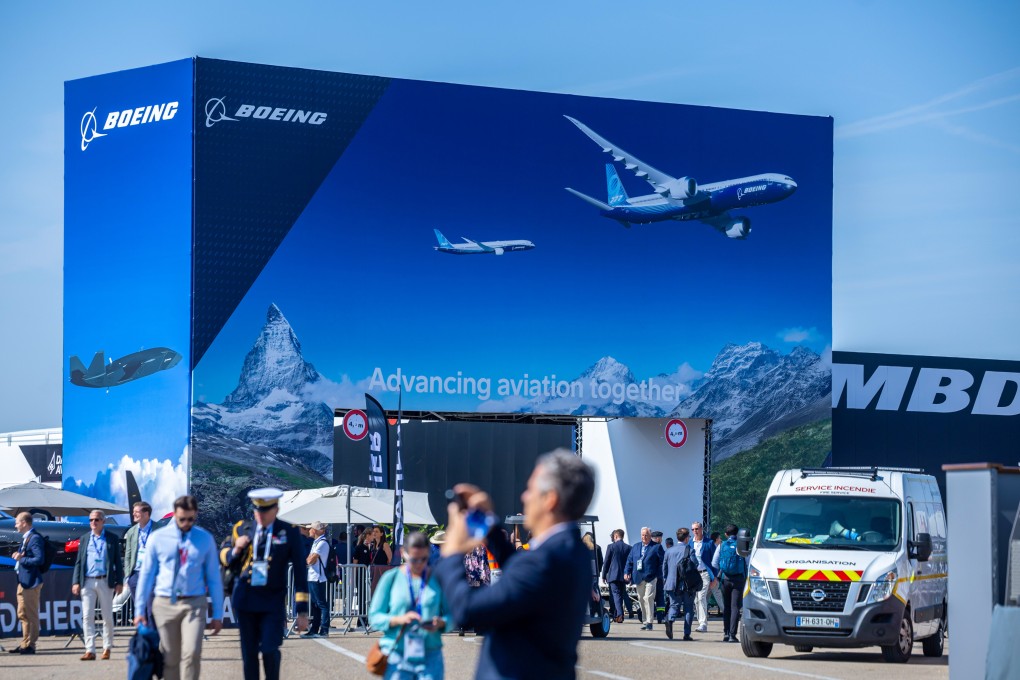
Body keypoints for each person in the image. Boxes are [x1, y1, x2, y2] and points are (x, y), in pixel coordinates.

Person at [436, 449, 595, 679]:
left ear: (550, 499)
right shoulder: (571, 550)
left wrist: (450, 555)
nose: (524, 497)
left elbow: (468, 610)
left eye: (530, 489)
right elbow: (522, 579)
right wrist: (490, 524)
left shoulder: (545, 562)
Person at [220, 488, 309, 680]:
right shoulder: (242, 528)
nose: (260, 515)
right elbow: (224, 555)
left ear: (275, 509)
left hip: (272, 601)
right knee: (249, 654)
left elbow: (301, 573)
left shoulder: (289, 532)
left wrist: (302, 611)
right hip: (245, 600)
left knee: (270, 649)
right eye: (257, 510)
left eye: (265, 510)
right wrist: (236, 549)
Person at [133, 495, 224, 680]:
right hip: (165, 603)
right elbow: (147, 575)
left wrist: (218, 614)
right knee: (170, 658)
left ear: (196, 515)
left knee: (192, 653)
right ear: (174, 514)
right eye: (182, 519)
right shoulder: (157, 538)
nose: (186, 523)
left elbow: (214, 578)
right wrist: (139, 609)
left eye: (191, 519)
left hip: (194, 603)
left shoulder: (204, 539)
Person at [368, 531, 450, 679]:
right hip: (397, 655)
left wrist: (442, 623)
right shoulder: (391, 578)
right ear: (403, 553)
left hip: (430, 655)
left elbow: (453, 614)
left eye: (424, 559)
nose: (419, 564)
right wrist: (397, 619)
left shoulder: (437, 579)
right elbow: (374, 616)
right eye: (413, 559)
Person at [71, 509, 124, 660]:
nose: (93, 523)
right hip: (87, 580)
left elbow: (117, 563)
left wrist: (119, 582)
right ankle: (90, 649)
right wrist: (75, 581)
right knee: (87, 616)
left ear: (103, 521)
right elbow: (79, 562)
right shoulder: (85, 538)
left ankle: (107, 647)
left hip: (105, 580)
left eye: (96, 520)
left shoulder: (111, 539)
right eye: (91, 520)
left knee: (107, 616)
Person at [9, 512, 45, 655]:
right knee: (22, 613)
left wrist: (21, 559)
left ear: (24, 523)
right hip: (23, 581)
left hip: (31, 582)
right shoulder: (27, 538)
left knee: (31, 614)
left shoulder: (34, 538)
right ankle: (25, 643)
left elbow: (39, 559)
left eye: (17, 522)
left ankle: (31, 644)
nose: (15, 525)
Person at [624, 527, 663, 630]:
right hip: (638, 577)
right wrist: (626, 572)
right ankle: (645, 621)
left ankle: (650, 622)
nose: (644, 537)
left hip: (651, 577)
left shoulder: (656, 547)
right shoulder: (636, 547)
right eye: (642, 535)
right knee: (641, 599)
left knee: (648, 598)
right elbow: (629, 561)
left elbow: (662, 563)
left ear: (650, 536)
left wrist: (659, 575)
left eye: (646, 535)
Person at [712, 524, 746, 642]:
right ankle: (732, 635)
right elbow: (747, 561)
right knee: (735, 607)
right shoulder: (741, 545)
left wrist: (722, 569)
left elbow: (714, 563)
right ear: (737, 534)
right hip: (738, 580)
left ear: (726, 534)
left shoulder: (721, 545)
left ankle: (725, 633)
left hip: (725, 579)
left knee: (726, 606)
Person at [661, 527, 696, 641]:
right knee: (688, 608)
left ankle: (670, 620)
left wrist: (666, 580)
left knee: (674, 605)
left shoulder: (669, 551)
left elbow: (664, 569)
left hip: (671, 584)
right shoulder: (689, 550)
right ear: (686, 538)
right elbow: (695, 564)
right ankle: (686, 634)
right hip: (687, 584)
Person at [302, 520, 331, 639]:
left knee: (321, 604)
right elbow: (309, 559)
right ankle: (314, 629)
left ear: (315, 530)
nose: (309, 530)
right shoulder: (316, 542)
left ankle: (324, 629)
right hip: (313, 576)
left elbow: (310, 560)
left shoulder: (322, 543)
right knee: (315, 605)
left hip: (318, 577)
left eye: (311, 528)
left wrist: (309, 559)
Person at [124, 502, 155, 608]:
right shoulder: (131, 532)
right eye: (134, 512)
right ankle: (141, 625)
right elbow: (128, 555)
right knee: (139, 609)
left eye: (137, 512)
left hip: (152, 573)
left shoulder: (159, 529)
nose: (134, 514)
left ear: (146, 514)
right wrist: (128, 576)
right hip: (135, 574)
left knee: (151, 608)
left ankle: (151, 624)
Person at [689, 522, 717, 633]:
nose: (695, 531)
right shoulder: (690, 543)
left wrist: (715, 577)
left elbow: (714, 561)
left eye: (696, 529)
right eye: (693, 529)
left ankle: (703, 624)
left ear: (701, 529)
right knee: (696, 599)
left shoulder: (709, 543)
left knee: (701, 597)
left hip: (705, 573)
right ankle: (701, 620)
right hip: (694, 575)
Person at [601, 529, 631, 623]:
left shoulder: (611, 547)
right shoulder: (628, 548)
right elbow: (630, 562)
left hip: (613, 575)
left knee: (616, 595)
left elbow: (606, 562)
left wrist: (603, 575)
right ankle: (617, 615)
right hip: (624, 576)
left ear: (616, 536)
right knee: (620, 595)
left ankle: (619, 615)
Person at [650, 530, 666, 623]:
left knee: (650, 597)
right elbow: (662, 561)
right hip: (658, 577)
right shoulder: (658, 547)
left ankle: (649, 617)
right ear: (658, 538)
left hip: (649, 577)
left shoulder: (648, 547)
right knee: (660, 597)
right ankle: (660, 617)